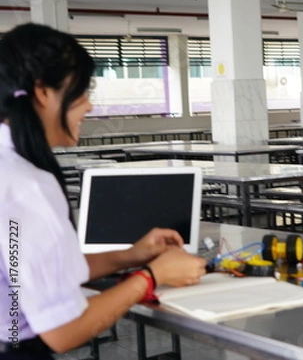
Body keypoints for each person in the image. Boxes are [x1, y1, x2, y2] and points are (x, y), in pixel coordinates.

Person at [0, 23, 206, 359]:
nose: (89, 107)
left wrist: (131, 255)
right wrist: (151, 278)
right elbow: (63, 333)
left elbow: (37, 270)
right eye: (81, 92)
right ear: (43, 92)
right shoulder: (27, 186)